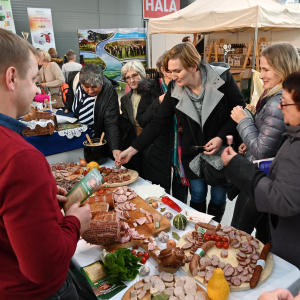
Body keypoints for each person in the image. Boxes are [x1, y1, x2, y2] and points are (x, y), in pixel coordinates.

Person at [0, 28, 92, 299]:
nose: (37, 88)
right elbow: (45, 267)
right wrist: (75, 222)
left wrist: (39, 200)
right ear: (12, 78)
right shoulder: (20, 157)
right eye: (33, 80)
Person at [118, 42, 245, 222]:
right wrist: (131, 150)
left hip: (221, 151)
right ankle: (199, 230)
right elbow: (157, 123)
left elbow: (239, 110)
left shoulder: (222, 78)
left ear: (193, 66)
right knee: (198, 195)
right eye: (170, 71)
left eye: (177, 71)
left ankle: (215, 230)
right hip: (193, 152)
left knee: (218, 197)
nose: (172, 76)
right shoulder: (174, 88)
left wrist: (220, 137)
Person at [222, 71, 300, 269]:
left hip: (291, 250)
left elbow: (280, 199)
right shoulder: (292, 135)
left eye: (285, 102)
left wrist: (238, 166)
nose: (281, 107)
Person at [230, 43, 300, 243]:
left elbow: (262, 151)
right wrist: (249, 139)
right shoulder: (275, 95)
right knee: (265, 233)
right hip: (268, 177)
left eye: (266, 69)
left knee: (238, 233)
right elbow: (270, 139)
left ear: (282, 68)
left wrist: (243, 121)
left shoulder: (278, 101)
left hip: (263, 177)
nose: (260, 75)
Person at [136, 51, 189, 203]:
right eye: (171, 69)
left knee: (180, 198)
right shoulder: (151, 89)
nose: (175, 73)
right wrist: (158, 102)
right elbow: (142, 120)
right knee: (160, 197)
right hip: (158, 151)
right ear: (163, 70)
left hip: (180, 149)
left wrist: (186, 126)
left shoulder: (183, 86)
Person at [65, 63, 122, 160]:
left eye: (94, 87)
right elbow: (70, 91)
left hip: (94, 139)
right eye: (86, 87)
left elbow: (111, 121)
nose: (90, 91)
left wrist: (115, 148)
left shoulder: (109, 91)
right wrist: (68, 106)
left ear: (102, 81)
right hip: (75, 135)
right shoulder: (75, 78)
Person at [119, 60, 146, 172]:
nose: (132, 80)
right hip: (135, 146)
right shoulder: (125, 99)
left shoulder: (152, 94)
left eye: (135, 75)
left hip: (154, 145)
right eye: (128, 77)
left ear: (142, 74)